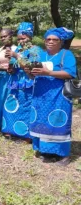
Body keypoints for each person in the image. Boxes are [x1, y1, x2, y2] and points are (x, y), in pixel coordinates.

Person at [26, 27, 76, 166]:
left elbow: (70, 73)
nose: (51, 42)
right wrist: (28, 72)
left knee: (58, 120)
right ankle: (46, 151)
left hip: (58, 94)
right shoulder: (40, 55)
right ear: (44, 41)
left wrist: (48, 73)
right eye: (48, 39)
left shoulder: (66, 54)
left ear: (61, 42)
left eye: (55, 40)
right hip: (40, 94)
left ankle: (63, 155)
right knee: (42, 120)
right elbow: (33, 75)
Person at [1, 22, 42, 142]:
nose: (21, 41)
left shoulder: (35, 50)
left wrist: (17, 55)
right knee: (11, 105)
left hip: (28, 81)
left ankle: (27, 135)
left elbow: (30, 68)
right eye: (19, 39)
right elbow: (14, 66)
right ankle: (11, 130)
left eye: (23, 38)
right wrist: (11, 69)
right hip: (15, 81)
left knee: (26, 107)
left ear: (30, 37)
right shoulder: (18, 49)